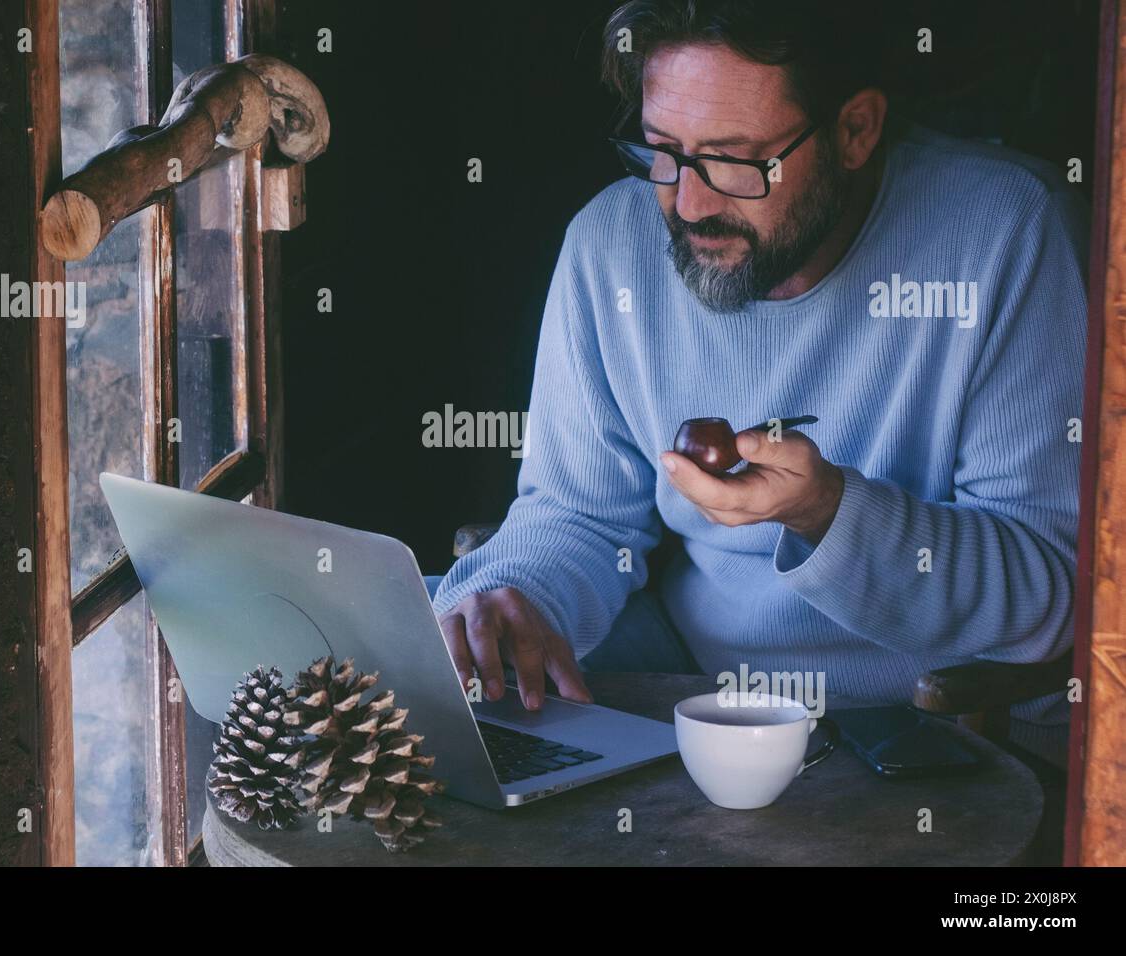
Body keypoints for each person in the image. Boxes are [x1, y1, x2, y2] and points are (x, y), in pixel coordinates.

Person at [429, 0, 1086, 768]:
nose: (688, 204)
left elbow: (1048, 597)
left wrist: (828, 512)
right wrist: (514, 600)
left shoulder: (1011, 234)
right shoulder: (610, 246)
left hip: (913, 727)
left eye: (735, 159)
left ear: (855, 130)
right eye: (662, 150)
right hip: (692, 702)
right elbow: (579, 517)